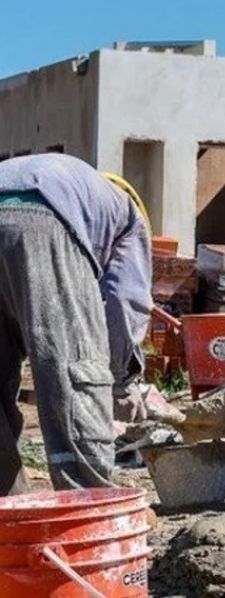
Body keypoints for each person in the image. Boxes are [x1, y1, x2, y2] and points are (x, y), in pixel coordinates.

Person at [0, 154, 152, 495]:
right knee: (73, 373)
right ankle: (86, 503)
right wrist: (122, 380)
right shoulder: (128, 217)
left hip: (28, 207)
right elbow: (125, 298)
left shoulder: (83, 189)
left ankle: (11, 523)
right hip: (43, 219)